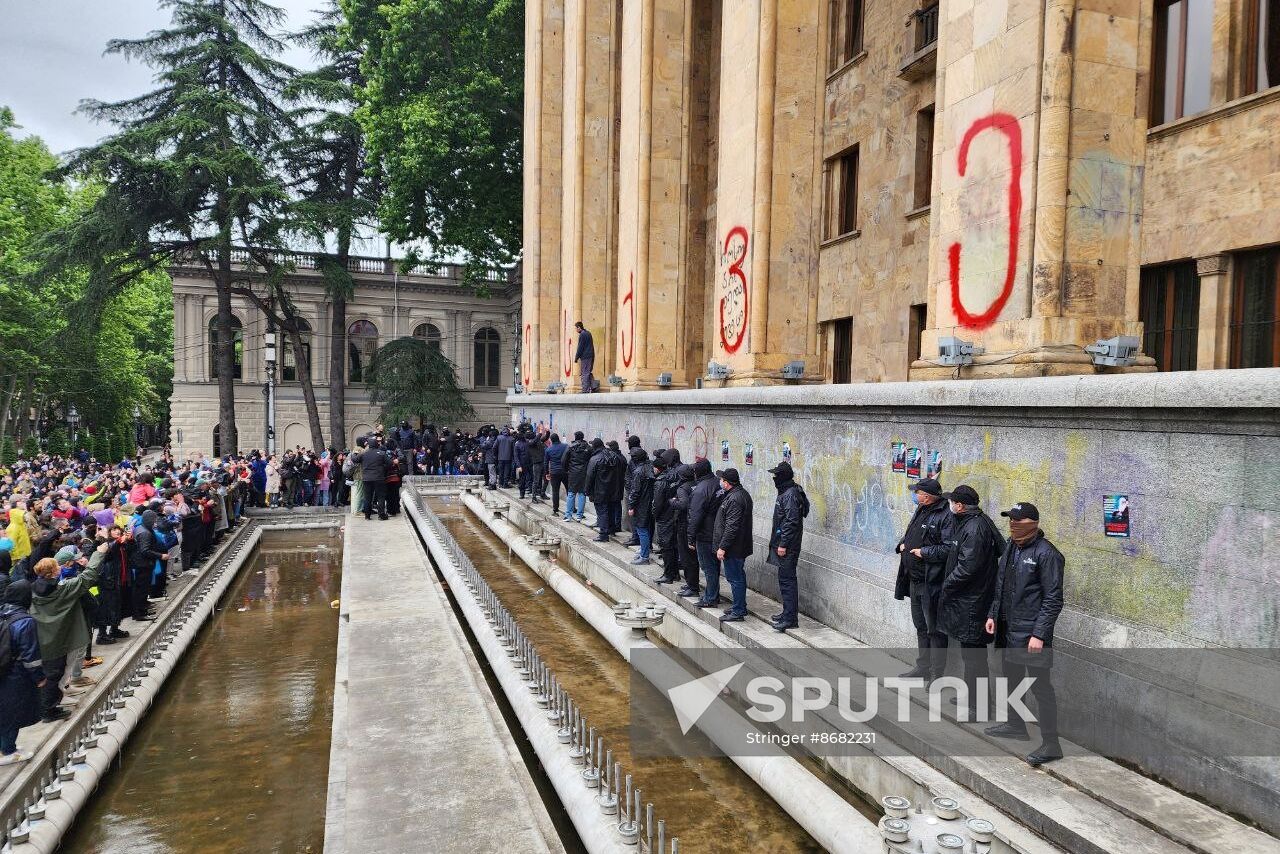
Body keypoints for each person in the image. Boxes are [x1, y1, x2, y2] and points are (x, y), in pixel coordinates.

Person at [984, 502, 1065, 766]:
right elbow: (1000, 586)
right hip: (1009, 630)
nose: (1013, 526)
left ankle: (1051, 744)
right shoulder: (1010, 548)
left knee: (1040, 687)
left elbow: (1053, 598)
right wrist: (993, 616)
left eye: (1018, 521)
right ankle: (1015, 725)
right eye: (1010, 521)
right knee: (1013, 680)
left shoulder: (1047, 554)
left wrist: (1039, 634)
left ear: (1032, 524)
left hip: (1031, 633)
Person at [935, 484, 1004, 720]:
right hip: (970, 600)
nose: (950, 505)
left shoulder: (975, 528)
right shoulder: (973, 521)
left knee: (975, 657)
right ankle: (972, 698)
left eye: (952, 502)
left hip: (973, 602)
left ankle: (980, 708)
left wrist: (947, 584)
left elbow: (968, 567)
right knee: (970, 654)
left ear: (960, 505)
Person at [31, 546, 104, 723]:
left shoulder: (31, 590)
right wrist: (99, 553)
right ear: (54, 572)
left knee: (50, 675)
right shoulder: (63, 589)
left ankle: (49, 705)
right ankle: (48, 711)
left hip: (43, 641)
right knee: (55, 675)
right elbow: (89, 576)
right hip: (60, 641)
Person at [895, 477, 953, 679]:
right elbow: (912, 532)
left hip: (932, 582)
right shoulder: (921, 508)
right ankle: (923, 667)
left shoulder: (945, 515)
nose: (914, 494)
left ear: (927, 496)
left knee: (935, 630)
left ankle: (937, 673)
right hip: (914, 579)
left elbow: (948, 549)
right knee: (921, 626)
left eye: (917, 492)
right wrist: (902, 545)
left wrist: (924, 552)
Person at [0, 580, 44, 764]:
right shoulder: (25, 622)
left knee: (4, 710)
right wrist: (39, 677)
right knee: (13, 712)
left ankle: (6, 746)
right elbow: (31, 656)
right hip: (16, 675)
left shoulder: (3, 612)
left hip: (3, 670)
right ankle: (8, 751)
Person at [766, 461, 809, 633]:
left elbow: (791, 521)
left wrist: (783, 544)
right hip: (784, 544)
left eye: (777, 475)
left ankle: (790, 619)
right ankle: (786, 613)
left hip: (788, 546)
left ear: (783, 477)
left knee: (788, 581)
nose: (774, 478)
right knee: (784, 580)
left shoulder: (790, 494)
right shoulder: (788, 490)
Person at [712, 468, 753, 622]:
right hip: (737, 546)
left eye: (722, 480)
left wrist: (722, 547)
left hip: (734, 548)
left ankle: (738, 610)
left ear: (727, 483)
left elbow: (732, 526)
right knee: (737, 577)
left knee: (735, 578)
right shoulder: (739, 494)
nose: (720, 482)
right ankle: (739, 606)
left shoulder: (735, 498)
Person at [685, 459, 720, 607]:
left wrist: (691, 537)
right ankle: (713, 594)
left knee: (708, 567)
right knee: (715, 567)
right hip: (718, 532)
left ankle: (710, 598)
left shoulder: (700, 489)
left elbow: (695, 515)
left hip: (705, 534)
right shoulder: (719, 483)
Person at [651, 452, 681, 584]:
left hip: (664, 517)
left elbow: (657, 503)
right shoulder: (673, 477)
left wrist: (654, 515)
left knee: (666, 546)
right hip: (673, 515)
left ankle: (668, 574)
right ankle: (674, 574)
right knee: (672, 546)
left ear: (657, 469)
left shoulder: (660, 482)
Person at [671, 463, 699, 599]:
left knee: (687, 557)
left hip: (684, 525)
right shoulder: (696, 484)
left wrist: (672, 502)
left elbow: (683, 504)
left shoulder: (682, 488)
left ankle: (692, 586)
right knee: (692, 557)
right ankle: (692, 584)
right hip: (694, 524)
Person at [626, 447, 655, 565]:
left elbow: (635, 491)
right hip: (650, 503)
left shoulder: (638, 472)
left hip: (641, 505)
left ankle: (644, 556)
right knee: (646, 528)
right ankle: (644, 550)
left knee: (641, 529)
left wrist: (631, 506)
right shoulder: (651, 467)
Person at [583, 439, 610, 541]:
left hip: (599, 489)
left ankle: (603, 535)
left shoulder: (595, 459)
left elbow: (589, 476)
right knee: (607, 510)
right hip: (610, 489)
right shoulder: (611, 455)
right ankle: (608, 530)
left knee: (602, 511)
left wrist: (587, 490)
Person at [564, 431, 592, 523]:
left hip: (572, 473)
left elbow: (564, 460)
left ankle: (568, 515)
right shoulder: (588, 448)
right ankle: (579, 516)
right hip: (584, 473)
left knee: (571, 494)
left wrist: (566, 469)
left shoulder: (570, 447)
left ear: (575, 437)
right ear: (583, 437)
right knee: (581, 494)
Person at [359, 440, 390, 520]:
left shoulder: (364, 454)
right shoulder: (381, 453)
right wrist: (382, 468)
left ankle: (367, 515)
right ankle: (381, 515)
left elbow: (355, 459)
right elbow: (389, 463)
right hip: (379, 477)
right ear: (377, 445)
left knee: (367, 497)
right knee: (381, 496)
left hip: (366, 478)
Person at [621, 436, 644, 544]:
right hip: (636, 490)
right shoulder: (641, 454)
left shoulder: (635, 458)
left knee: (633, 515)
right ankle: (636, 537)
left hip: (633, 491)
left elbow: (633, 477)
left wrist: (630, 490)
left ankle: (635, 538)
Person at [545, 433, 567, 515]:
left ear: (551, 440)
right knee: (569, 490)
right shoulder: (565, 446)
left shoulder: (548, 449)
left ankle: (555, 509)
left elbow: (546, 463)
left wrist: (547, 473)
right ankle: (572, 508)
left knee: (555, 491)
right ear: (558, 438)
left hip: (554, 472)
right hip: (565, 471)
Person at [573, 321, 596, 393]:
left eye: (576, 328)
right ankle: (593, 386)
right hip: (591, 356)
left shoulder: (582, 335)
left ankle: (585, 390)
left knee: (585, 373)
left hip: (585, 357)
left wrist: (576, 357)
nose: (576, 330)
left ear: (579, 327)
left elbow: (580, 347)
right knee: (588, 372)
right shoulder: (588, 333)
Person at [528, 430, 547, 503]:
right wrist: (540, 433)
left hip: (543, 462)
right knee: (536, 481)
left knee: (545, 479)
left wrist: (547, 432)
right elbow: (535, 441)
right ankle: (534, 497)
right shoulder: (530, 442)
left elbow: (545, 438)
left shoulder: (538, 440)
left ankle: (542, 493)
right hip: (536, 463)